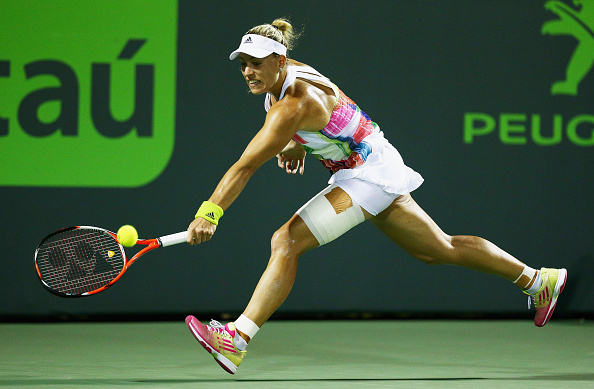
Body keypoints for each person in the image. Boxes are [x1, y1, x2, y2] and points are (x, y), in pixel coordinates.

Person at [184, 18, 567, 375]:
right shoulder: (283, 80)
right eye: (243, 64)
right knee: (438, 249)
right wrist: (297, 143)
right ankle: (537, 281)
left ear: (279, 60)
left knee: (286, 241)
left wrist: (210, 212)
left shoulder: (293, 104)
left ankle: (237, 338)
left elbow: (245, 165)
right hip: (374, 161)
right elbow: (321, 119)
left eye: (256, 63)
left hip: (367, 175)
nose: (248, 72)